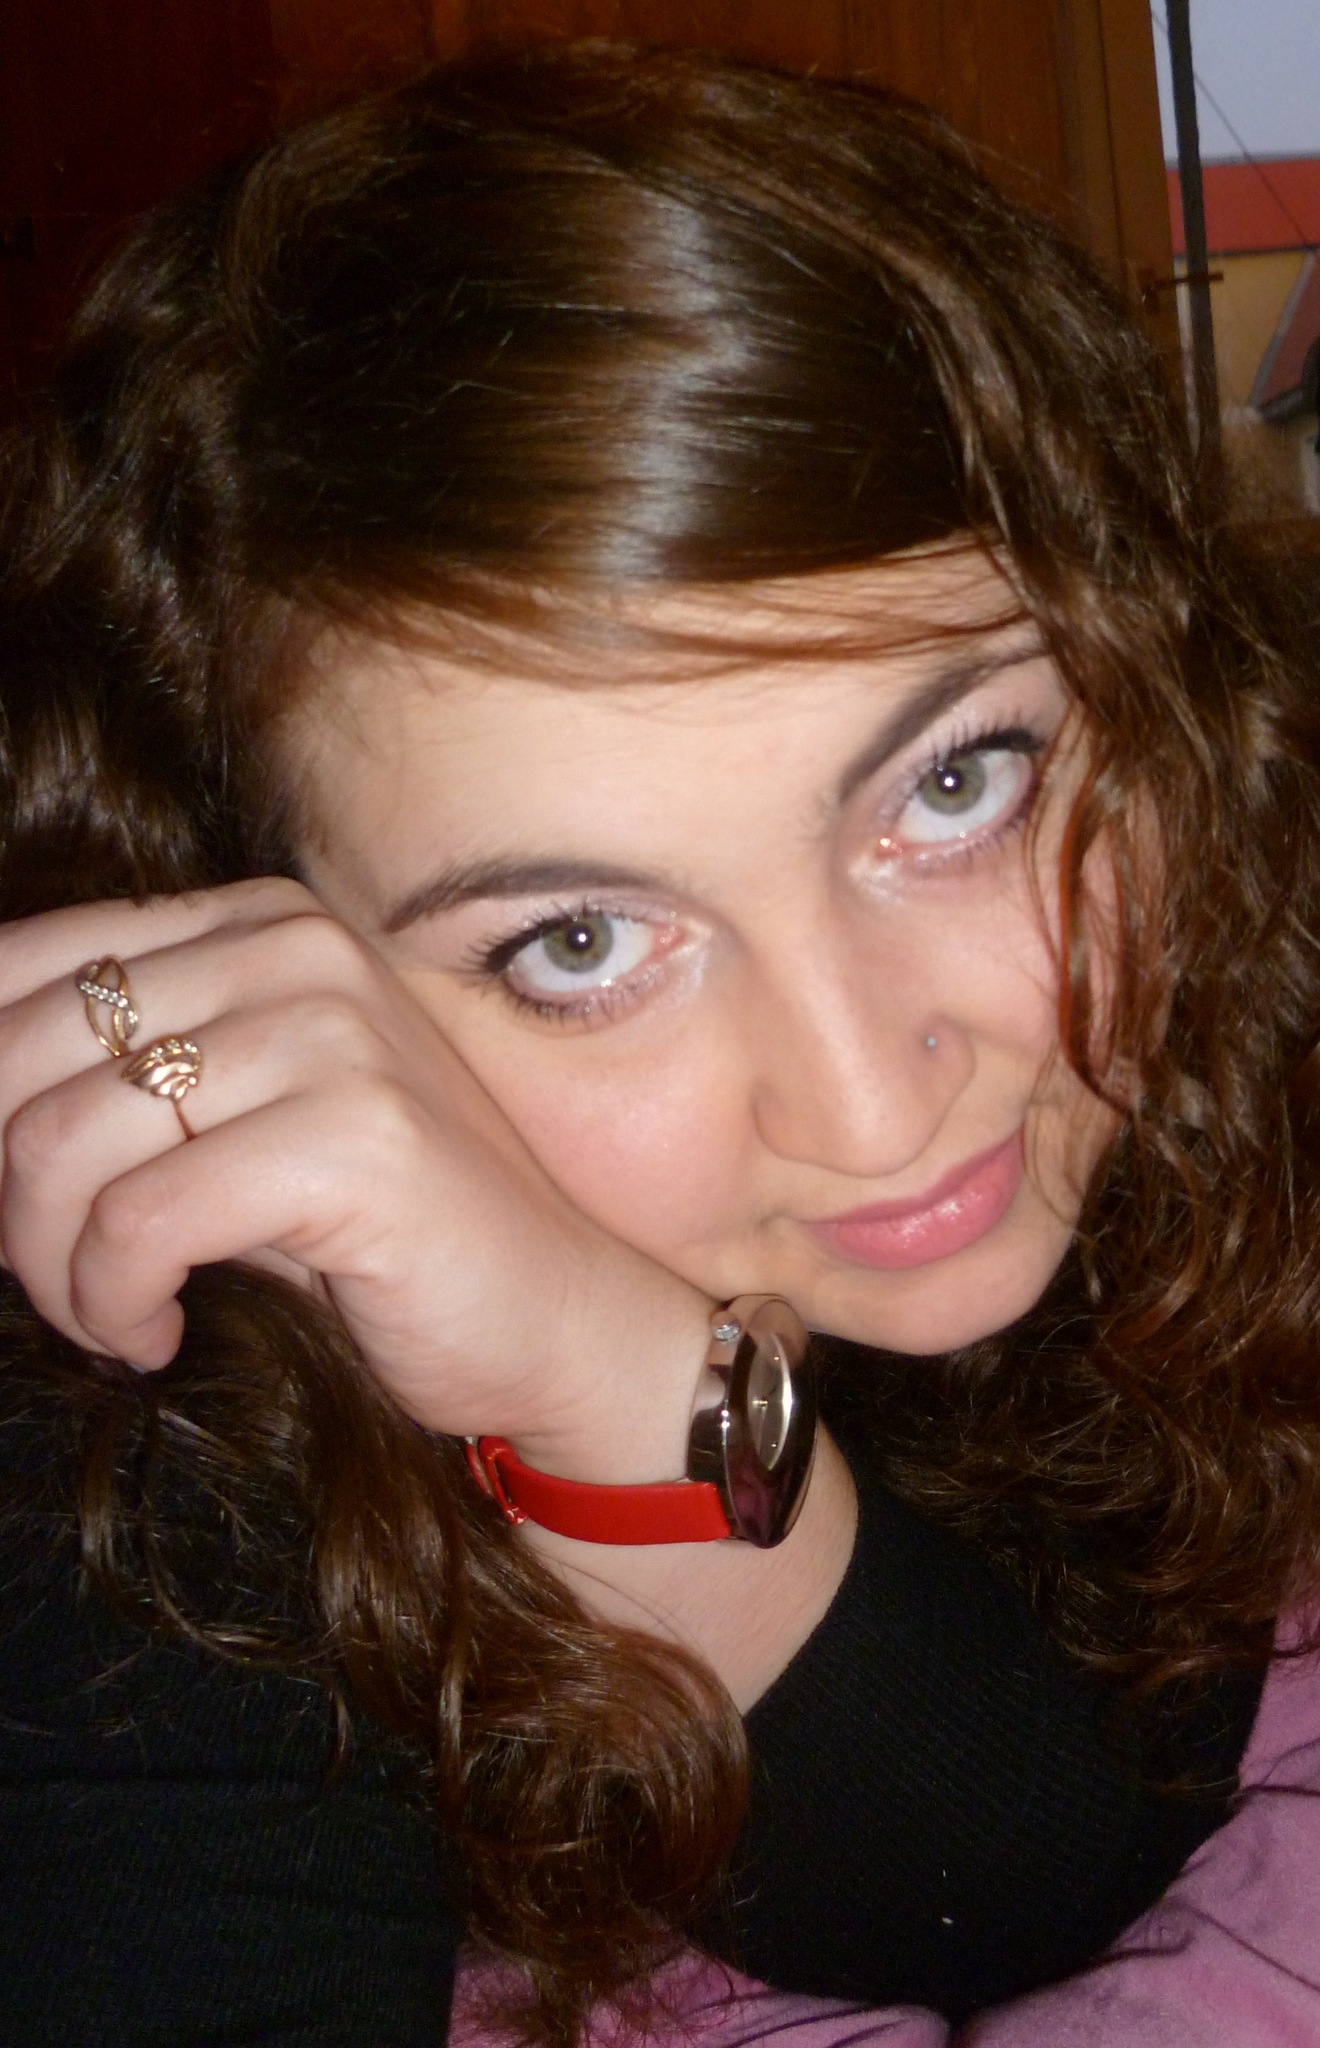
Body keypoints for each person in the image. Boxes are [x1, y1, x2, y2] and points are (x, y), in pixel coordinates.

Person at [1, 41, 1318, 2048]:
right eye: (581, 942)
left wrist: (616, 1381)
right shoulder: (132, 1430)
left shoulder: (1217, 965)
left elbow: (1035, 1847)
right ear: (247, 913)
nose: (874, 1101)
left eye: (954, 784)